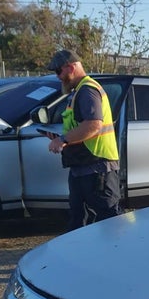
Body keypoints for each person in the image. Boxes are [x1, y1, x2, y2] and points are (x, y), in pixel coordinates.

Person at [45, 49, 121, 231]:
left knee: (109, 222)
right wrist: (62, 139)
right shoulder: (78, 92)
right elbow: (79, 127)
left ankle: (120, 256)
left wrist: (63, 139)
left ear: (70, 67)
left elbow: (93, 125)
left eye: (58, 72)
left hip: (97, 168)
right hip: (83, 167)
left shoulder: (87, 91)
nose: (58, 77)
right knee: (81, 223)